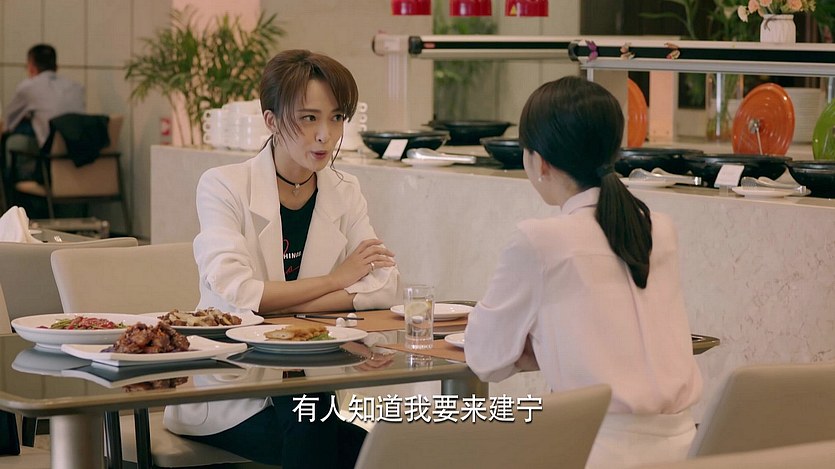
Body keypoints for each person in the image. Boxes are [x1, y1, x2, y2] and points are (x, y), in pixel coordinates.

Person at [163, 49, 399, 469]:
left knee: (373, 450)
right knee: (344, 444)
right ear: (271, 121)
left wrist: (283, 303)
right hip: (231, 390)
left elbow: (383, 285)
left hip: (308, 380)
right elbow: (240, 295)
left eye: (336, 117)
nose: (325, 134)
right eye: (309, 118)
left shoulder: (344, 189)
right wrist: (337, 280)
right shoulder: (223, 185)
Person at [464, 76, 702, 468]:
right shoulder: (659, 228)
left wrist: (538, 346)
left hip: (593, 450)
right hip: (685, 447)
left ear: (539, 161)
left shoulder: (539, 241)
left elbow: (484, 357)